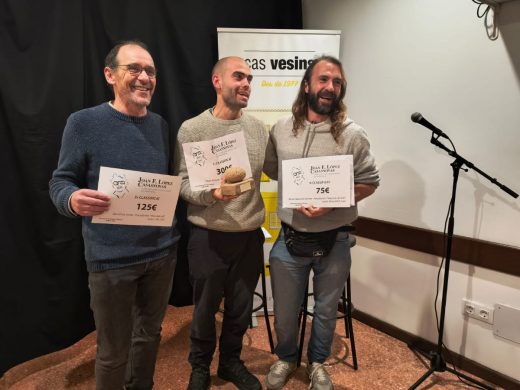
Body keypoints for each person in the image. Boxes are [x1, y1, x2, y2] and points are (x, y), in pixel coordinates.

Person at [49, 40, 179, 390]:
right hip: (111, 261)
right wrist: (72, 199)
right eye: (133, 69)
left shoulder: (161, 125)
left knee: (150, 335)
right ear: (110, 75)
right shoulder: (83, 123)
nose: (144, 78)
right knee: (112, 352)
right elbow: (60, 181)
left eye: (150, 71)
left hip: (162, 253)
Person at [263, 55, 380, 390]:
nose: (331, 87)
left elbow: (370, 181)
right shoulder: (281, 130)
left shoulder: (353, 134)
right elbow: (274, 169)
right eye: (324, 80)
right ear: (307, 85)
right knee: (285, 311)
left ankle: (316, 364)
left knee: (327, 311)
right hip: (289, 238)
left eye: (338, 82)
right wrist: (300, 189)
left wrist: (331, 202)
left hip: (336, 240)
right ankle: (286, 358)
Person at [174, 56, 267, 390]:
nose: (246, 84)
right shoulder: (193, 129)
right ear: (217, 81)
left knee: (240, 309)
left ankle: (230, 363)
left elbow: (278, 169)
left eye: (250, 79)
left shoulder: (258, 129)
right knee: (204, 310)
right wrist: (212, 194)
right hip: (208, 236)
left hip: (248, 235)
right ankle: (199, 367)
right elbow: (182, 184)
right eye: (238, 76)